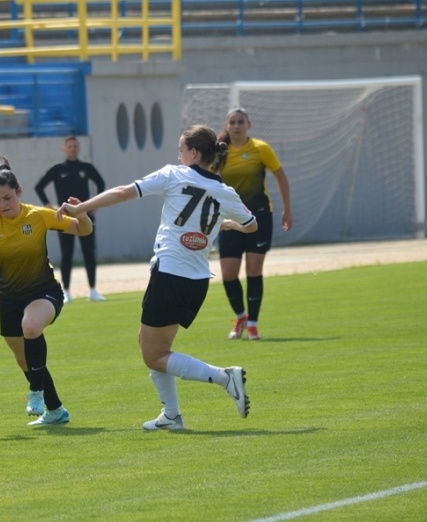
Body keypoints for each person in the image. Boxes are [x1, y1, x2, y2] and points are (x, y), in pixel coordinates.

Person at [58, 125, 256, 431]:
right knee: (149, 344)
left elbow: (125, 192)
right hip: (197, 280)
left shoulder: (174, 174)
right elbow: (251, 225)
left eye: (181, 150)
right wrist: (224, 225)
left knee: (154, 355)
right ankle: (172, 416)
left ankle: (224, 377)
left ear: (193, 154)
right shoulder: (224, 191)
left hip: (170, 274)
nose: (178, 156)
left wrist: (81, 207)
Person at [0, 139, 93, 426]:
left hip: (44, 292)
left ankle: (35, 393)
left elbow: (83, 231)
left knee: (31, 326)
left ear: (19, 192)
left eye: (8, 199)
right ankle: (55, 411)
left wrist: (83, 214)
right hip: (10, 299)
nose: (2, 205)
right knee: (25, 361)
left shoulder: (37, 215)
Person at [217, 108, 293, 341]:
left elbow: (280, 176)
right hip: (229, 218)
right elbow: (205, 179)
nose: (237, 126)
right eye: (232, 122)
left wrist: (287, 210)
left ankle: (252, 324)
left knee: (253, 270)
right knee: (228, 273)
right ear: (226, 125)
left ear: (249, 124)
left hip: (259, 216)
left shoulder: (261, 148)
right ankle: (240, 316)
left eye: (241, 122)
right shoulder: (219, 151)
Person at [35, 136, 106, 303]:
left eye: (75, 146)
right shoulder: (58, 169)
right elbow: (39, 187)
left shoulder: (86, 168)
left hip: (84, 217)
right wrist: (49, 205)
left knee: (89, 253)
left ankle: (93, 290)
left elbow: (101, 184)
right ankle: (66, 291)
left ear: (79, 148)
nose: (72, 149)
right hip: (64, 218)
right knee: (66, 254)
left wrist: (95, 204)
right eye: (69, 146)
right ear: (64, 149)